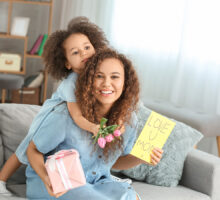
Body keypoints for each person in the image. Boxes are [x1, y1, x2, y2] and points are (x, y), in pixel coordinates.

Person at [26, 48, 163, 200]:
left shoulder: (129, 120)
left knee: (131, 196)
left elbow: (114, 162)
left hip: (96, 183)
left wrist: (141, 158)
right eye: (99, 76)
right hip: (59, 182)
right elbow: (33, 150)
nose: (106, 84)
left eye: (115, 77)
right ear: (88, 80)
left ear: (125, 83)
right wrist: (47, 178)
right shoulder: (65, 115)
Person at [0, 16, 109, 196]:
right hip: (50, 115)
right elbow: (76, 116)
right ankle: (2, 179)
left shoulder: (97, 75)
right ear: (66, 63)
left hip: (64, 121)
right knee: (25, 148)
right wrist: (93, 127)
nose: (83, 53)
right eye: (75, 52)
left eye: (87, 47)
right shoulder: (71, 84)